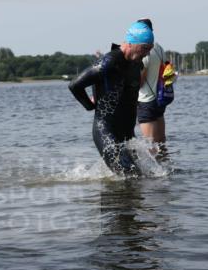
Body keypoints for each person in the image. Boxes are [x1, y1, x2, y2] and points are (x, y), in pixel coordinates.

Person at [69, 21, 154, 176]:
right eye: (145, 48)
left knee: (144, 177)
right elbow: (75, 85)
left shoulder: (136, 63)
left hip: (128, 135)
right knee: (130, 176)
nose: (147, 53)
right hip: (106, 131)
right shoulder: (109, 62)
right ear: (130, 43)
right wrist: (90, 106)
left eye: (150, 49)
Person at [134, 18, 174, 152]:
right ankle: (166, 168)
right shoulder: (158, 48)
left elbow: (141, 79)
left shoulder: (144, 50)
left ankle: (153, 172)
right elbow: (166, 70)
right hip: (159, 99)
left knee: (150, 144)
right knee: (161, 142)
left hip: (146, 100)